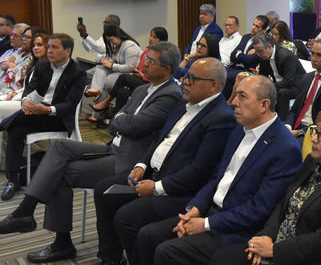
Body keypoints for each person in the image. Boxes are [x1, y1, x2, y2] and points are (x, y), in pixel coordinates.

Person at [0, 42, 184, 263]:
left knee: (60, 172)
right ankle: (28, 213)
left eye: (151, 61)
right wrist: (118, 120)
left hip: (129, 160)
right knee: (59, 148)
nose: (144, 64)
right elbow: (114, 118)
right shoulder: (142, 89)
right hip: (112, 147)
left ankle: (47, 231)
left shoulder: (171, 94)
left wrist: (117, 120)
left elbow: (133, 124)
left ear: (167, 68)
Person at [131, 75, 302, 265]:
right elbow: (217, 178)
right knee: (148, 236)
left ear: (264, 105)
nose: (234, 102)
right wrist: (194, 209)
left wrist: (205, 224)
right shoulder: (240, 129)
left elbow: (259, 209)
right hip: (210, 212)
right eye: (235, 95)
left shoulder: (285, 148)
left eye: (242, 96)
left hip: (237, 229)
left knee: (168, 252)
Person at [93, 58, 237, 264]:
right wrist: (141, 165)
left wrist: (156, 187)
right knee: (103, 191)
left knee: (126, 218)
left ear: (213, 85)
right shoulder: (182, 105)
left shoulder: (221, 118)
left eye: (193, 79)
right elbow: (158, 141)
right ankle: (110, 258)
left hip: (179, 191)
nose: (185, 82)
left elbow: (199, 172)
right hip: (153, 175)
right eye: (186, 76)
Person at [213, 105, 321, 265]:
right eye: (316, 130)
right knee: (221, 257)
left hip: (302, 257)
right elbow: (283, 205)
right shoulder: (312, 162)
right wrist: (266, 236)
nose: (314, 138)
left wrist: (274, 251)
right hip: (276, 243)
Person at [0, 33, 86, 200]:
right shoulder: (42, 66)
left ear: (67, 51)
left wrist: (46, 110)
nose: (50, 51)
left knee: (17, 122)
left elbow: (70, 104)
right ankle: (12, 180)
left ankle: (3, 125)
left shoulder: (78, 73)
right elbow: (29, 88)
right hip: (35, 114)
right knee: (16, 129)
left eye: (55, 47)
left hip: (57, 117)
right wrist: (25, 101)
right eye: (49, 47)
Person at [89, 26, 168, 114]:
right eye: (150, 36)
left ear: (161, 40)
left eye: (154, 37)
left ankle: (106, 102)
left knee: (122, 78)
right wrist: (136, 74)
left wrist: (143, 76)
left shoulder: (162, 55)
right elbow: (138, 69)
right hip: (140, 79)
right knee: (121, 92)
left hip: (149, 83)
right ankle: (115, 117)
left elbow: (159, 76)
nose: (150, 39)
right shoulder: (146, 52)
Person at [253, 33, 305, 119]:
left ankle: (282, 121)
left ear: (269, 47)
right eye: (256, 51)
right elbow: (262, 77)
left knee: (281, 93)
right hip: (280, 84)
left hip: (297, 86)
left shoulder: (286, 56)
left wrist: (269, 87)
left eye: (260, 51)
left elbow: (289, 81)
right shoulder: (264, 57)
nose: (258, 54)